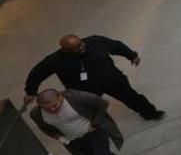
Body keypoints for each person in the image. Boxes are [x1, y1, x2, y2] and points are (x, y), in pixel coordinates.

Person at [24, 35, 165, 121]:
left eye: (81, 44)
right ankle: (97, 129)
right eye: (76, 48)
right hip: (83, 91)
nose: (81, 48)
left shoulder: (95, 41)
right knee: (89, 112)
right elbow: (37, 73)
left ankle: (150, 113)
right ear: (66, 51)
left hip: (112, 80)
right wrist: (30, 91)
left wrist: (131, 55)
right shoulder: (54, 60)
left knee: (131, 97)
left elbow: (116, 45)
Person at [30, 89, 124, 155]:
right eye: (47, 108)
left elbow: (102, 103)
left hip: (93, 132)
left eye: (55, 105)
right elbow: (44, 128)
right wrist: (62, 139)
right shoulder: (37, 114)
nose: (52, 110)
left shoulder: (75, 98)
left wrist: (96, 122)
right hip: (73, 139)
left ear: (60, 97)